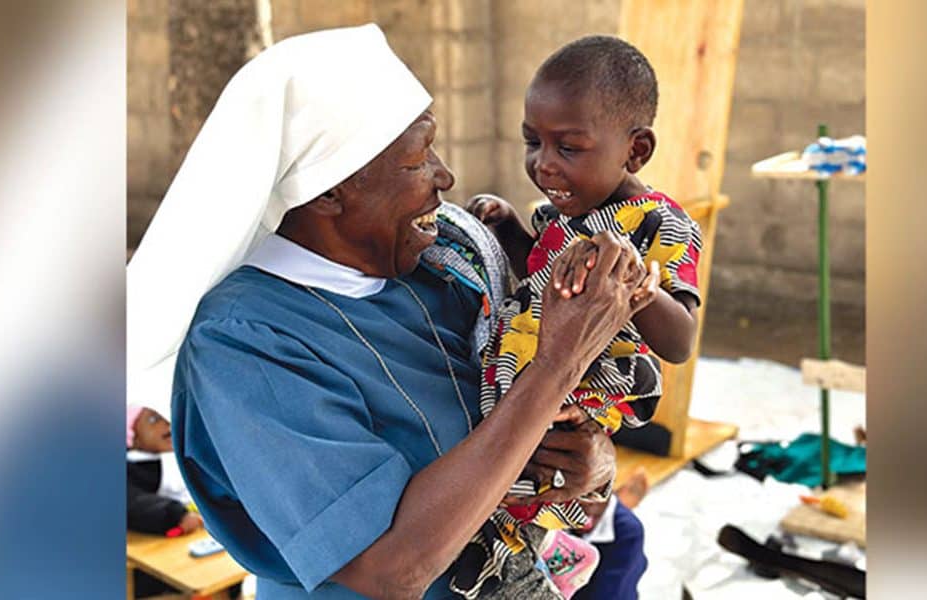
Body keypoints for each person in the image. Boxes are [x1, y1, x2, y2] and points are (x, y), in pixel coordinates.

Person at [126, 24, 658, 600]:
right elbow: (391, 568)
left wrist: (590, 467)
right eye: (416, 160)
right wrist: (556, 366)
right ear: (329, 192)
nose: (445, 177)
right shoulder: (245, 343)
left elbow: (534, 431)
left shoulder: (445, 264)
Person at [460, 35, 704, 598]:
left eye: (567, 147)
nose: (543, 164)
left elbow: (681, 339)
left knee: (525, 477)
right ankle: (557, 554)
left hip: (588, 385)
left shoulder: (658, 226)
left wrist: (639, 287)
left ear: (635, 151)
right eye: (531, 142)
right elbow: (542, 272)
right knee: (501, 460)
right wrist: (507, 230)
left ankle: (544, 557)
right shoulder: (561, 215)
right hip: (528, 362)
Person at [126, 404, 205, 598]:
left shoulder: (180, 457)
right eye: (153, 420)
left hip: (193, 542)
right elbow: (132, 502)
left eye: (166, 417)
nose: (165, 424)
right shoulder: (131, 468)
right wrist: (176, 514)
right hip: (151, 561)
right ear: (133, 438)